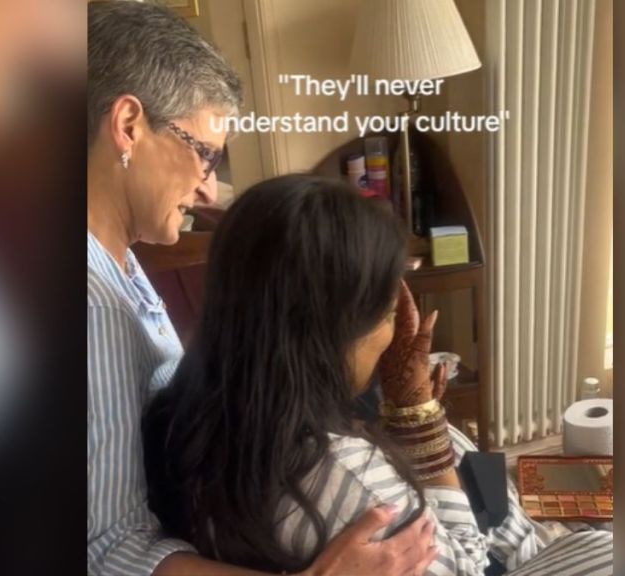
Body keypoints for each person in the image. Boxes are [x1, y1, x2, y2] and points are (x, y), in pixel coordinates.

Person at [86, 3, 435, 575]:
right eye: (205, 154)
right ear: (128, 125)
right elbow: (107, 549)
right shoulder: (92, 309)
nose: (206, 189)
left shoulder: (115, 256)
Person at [142, 175, 549, 575]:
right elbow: (468, 568)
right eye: (389, 315)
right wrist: (422, 427)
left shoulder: (183, 412)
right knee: (599, 548)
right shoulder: (351, 475)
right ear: (335, 331)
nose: (393, 338)